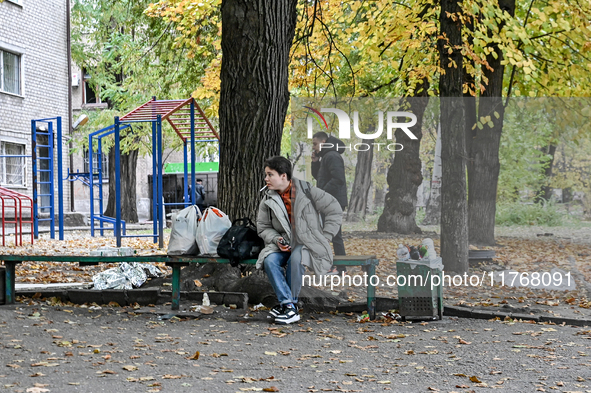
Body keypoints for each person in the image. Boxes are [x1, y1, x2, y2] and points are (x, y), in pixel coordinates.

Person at [257, 156, 342, 325]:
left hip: (307, 243)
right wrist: (276, 239)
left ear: (283, 176)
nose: (266, 179)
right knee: (269, 261)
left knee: (297, 259)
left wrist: (326, 236)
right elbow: (263, 227)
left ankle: (288, 306)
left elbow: (334, 209)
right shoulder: (267, 199)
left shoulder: (308, 191)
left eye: (270, 174)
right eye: (266, 175)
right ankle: (289, 305)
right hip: (281, 246)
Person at [311, 131, 348, 273]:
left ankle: (340, 267)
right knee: (328, 233)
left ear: (324, 142)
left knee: (334, 234)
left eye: (315, 144)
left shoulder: (332, 156)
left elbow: (338, 179)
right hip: (329, 201)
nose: (314, 147)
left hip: (333, 202)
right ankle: (337, 266)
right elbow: (319, 177)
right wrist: (315, 163)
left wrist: (323, 194)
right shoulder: (326, 157)